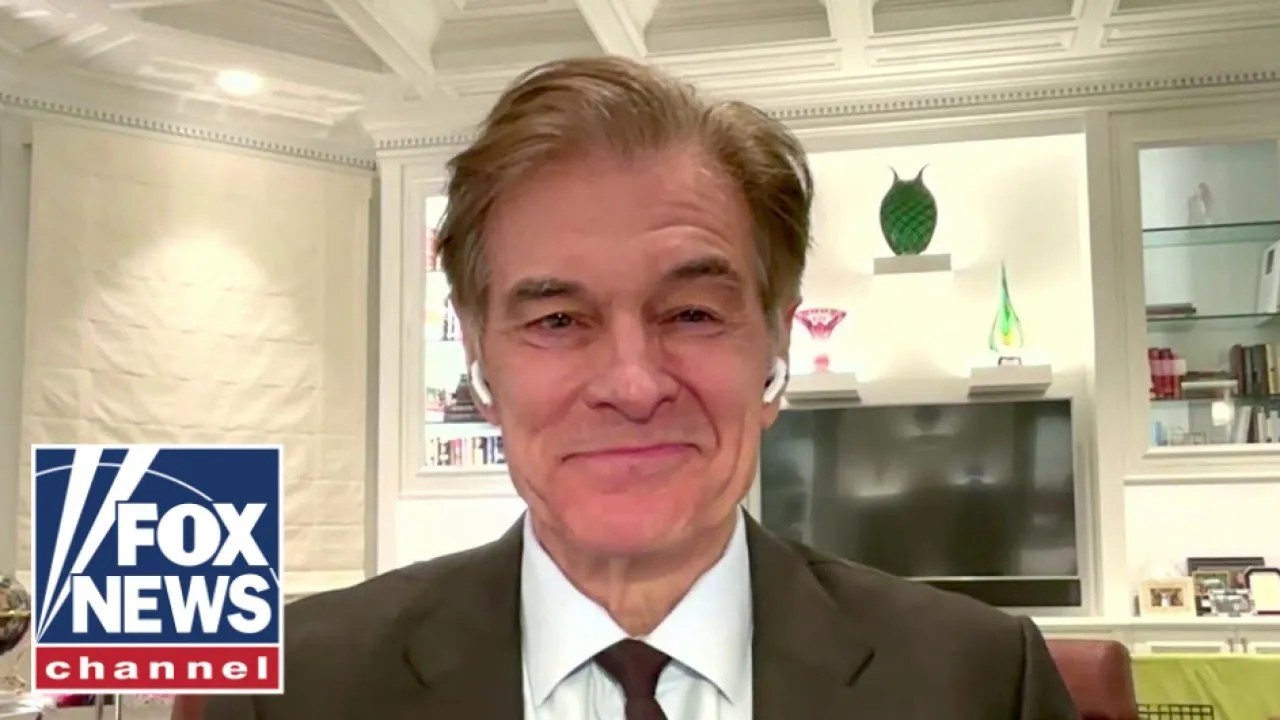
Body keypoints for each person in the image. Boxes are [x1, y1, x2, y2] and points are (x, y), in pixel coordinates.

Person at [203, 56, 1078, 720]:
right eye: (557, 320)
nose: (632, 384)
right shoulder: (292, 690)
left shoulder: (981, 682)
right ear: (480, 363)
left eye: (692, 313)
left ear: (775, 345)